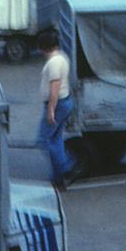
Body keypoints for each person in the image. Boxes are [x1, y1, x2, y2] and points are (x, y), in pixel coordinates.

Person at [37, 29, 79, 188]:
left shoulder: (53, 63)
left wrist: (51, 110)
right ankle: (59, 178)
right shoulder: (61, 57)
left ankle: (67, 167)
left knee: (44, 139)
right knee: (55, 139)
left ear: (44, 47)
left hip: (57, 104)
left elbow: (55, 88)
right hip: (64, 102)